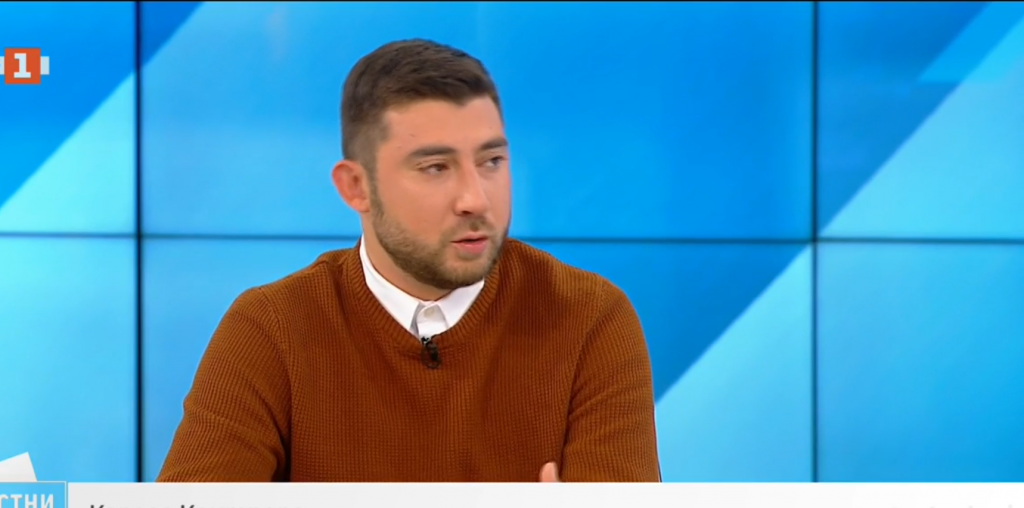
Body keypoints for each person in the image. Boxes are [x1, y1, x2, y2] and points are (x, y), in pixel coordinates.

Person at [157, 38, 660, 483]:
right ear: (356, 187)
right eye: (436, 167)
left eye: (491, 161)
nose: (475, 199)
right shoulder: (273, 328)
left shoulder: (588, 318)